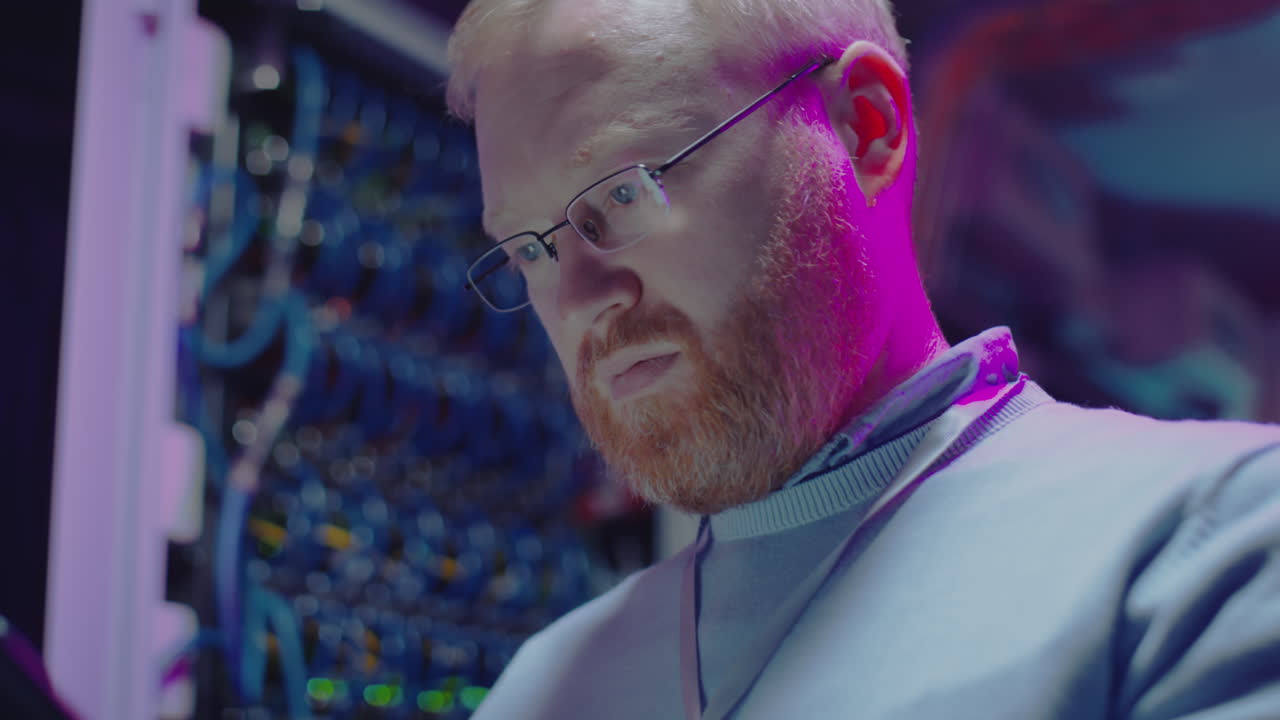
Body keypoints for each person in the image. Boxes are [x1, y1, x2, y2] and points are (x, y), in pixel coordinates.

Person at [445, 1, 1280, 718]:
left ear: (866, 126)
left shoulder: (1211, 540)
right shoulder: (540, 692)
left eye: (624, 191)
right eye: (528, 247)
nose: (580, 298)